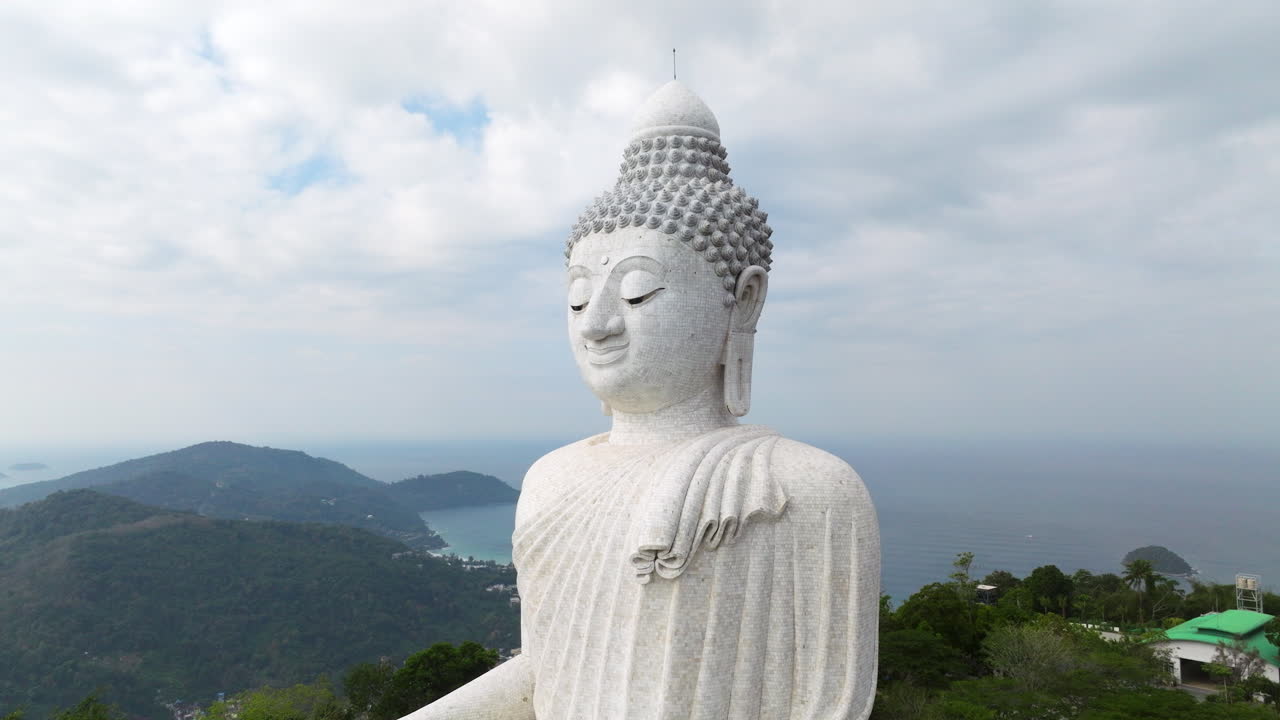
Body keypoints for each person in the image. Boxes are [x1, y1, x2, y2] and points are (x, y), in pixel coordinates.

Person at [404, 80, 879, 720]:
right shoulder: (550, 479)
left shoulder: (807, 491)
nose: (595, 323)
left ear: (744, 299)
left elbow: (827, 704)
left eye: (635, 292)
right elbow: (544, 676)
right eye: (576, 297)